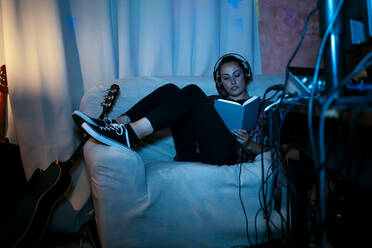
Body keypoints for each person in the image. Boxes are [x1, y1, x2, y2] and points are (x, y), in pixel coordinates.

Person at [73, 53, 260, 165]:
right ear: (221, 82)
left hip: (227, 155)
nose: (233, 81)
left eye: (237, 75)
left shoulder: (263, 108)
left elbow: (279, 150)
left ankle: (129, 135)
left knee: (193, 91)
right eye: (226, 77)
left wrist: (249, 143)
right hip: (193, 153)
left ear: (246, 75)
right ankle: (116, 124)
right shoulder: (210, 102)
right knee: (170, 90)